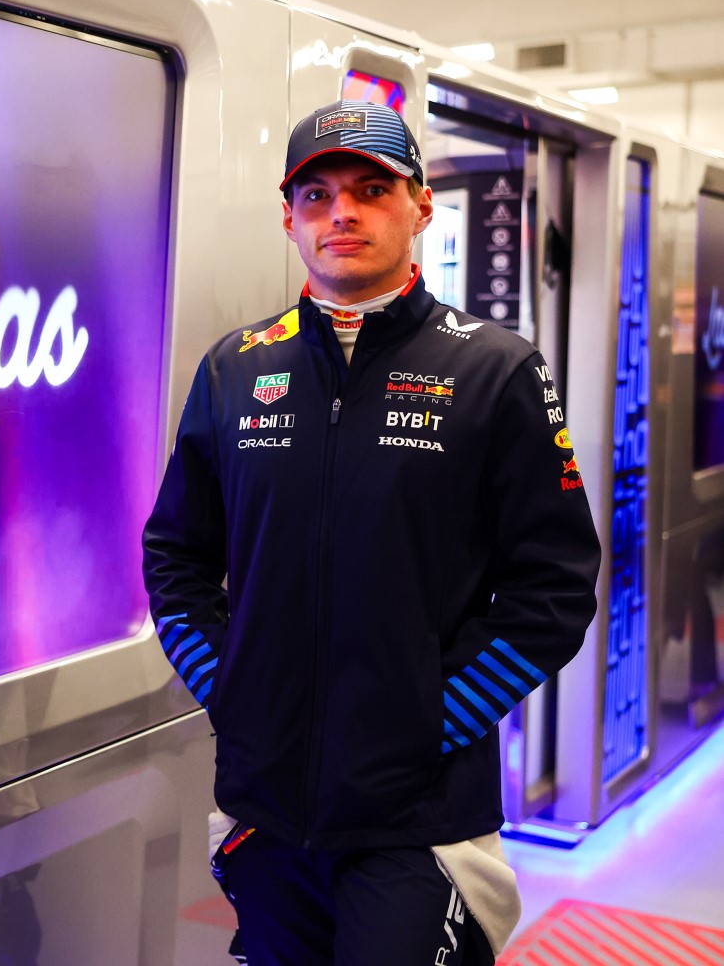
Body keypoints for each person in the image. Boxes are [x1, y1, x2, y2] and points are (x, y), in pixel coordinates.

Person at [142, 99, 601, 966]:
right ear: (289, 218)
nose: (341, 213)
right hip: (265, 806)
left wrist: (438, 715)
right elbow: (177, 555)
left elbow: (557, 583)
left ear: (420, 206)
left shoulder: (494, 367)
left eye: (370, 188)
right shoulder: (237, 368)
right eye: (315, 195)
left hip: (418, 815)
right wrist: (230, 687)